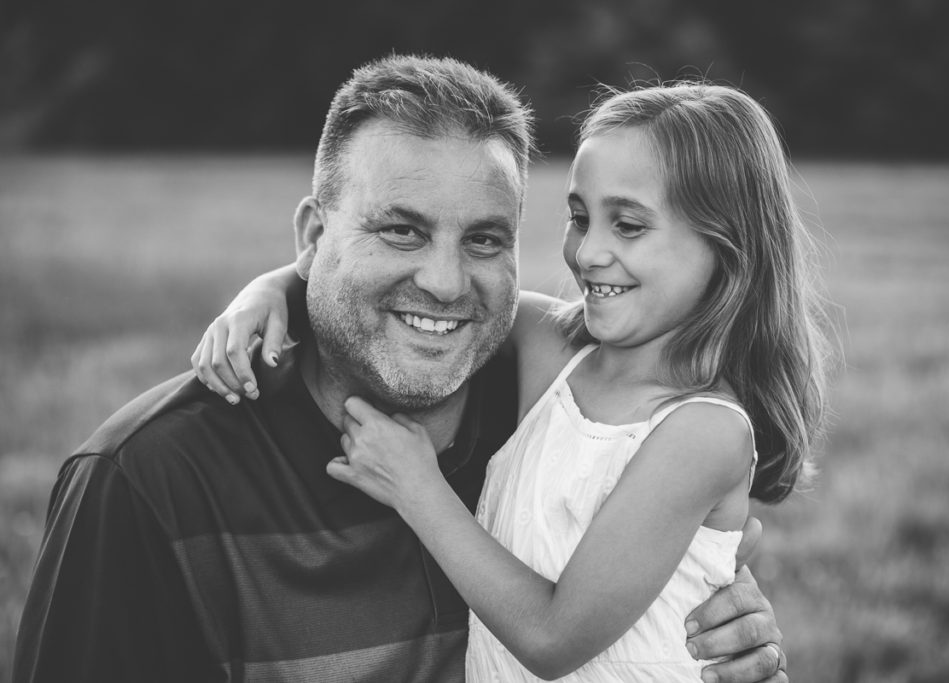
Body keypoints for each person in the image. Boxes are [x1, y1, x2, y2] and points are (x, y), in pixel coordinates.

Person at [15, 56, 787, 683]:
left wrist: (715, 619)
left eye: (486, 239)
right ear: (314, 234)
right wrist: (275, 285)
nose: (448, 285)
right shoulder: (143, 481)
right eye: (400, 229)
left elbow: (592, 618)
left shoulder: (532, 392)